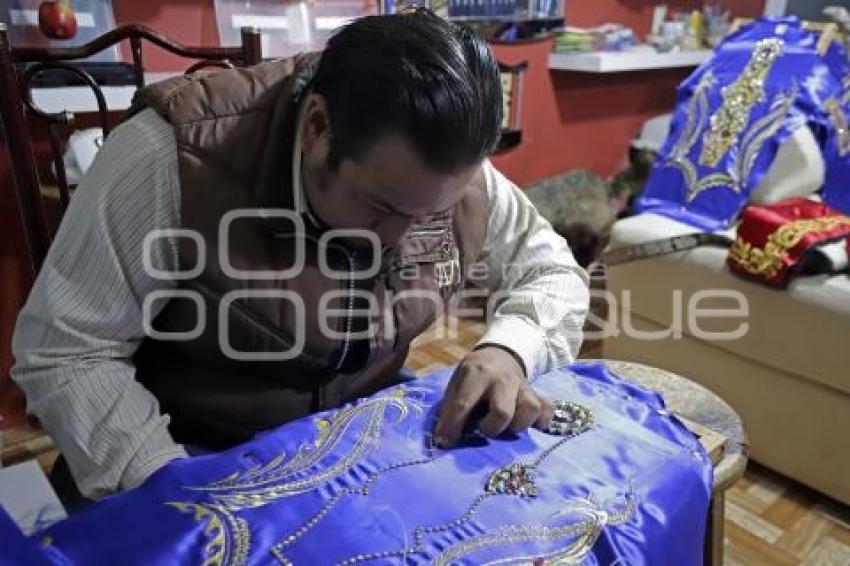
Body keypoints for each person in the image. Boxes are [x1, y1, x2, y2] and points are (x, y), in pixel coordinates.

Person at [11, 9, 589, 502]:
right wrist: (174, 489)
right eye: (382, 207)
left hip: (356, 430)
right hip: (192, 446)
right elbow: (68, 353)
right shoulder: (170, 158)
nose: (399, 238)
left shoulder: (443, 167)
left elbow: (551, 271)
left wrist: (510, 348)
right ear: (317, 128)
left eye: (429, 213)